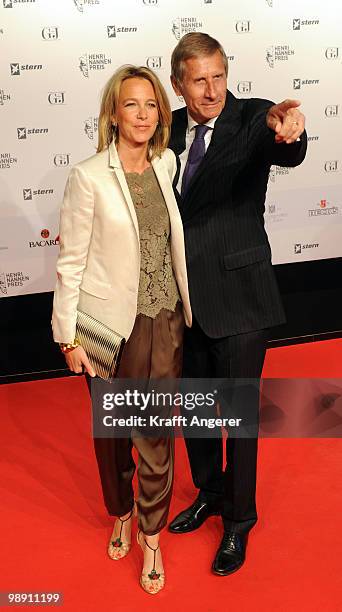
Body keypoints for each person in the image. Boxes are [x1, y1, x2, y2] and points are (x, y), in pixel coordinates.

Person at [167, 33, 307, 575]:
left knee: (239, 415)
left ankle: (239, 520)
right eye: (199, 80)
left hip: (241, 296)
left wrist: (290, 133)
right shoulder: (170, 128)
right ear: (178, 82)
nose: (211, 91)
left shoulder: (252, 116)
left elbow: (283, 145)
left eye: (219, 76)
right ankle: (209, 491)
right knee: (197, 410)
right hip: (185, 299)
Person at [51, 65, 192, 594]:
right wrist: (68, 335)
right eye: (131, 104)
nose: (142, 115)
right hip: (106, 326)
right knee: (112, 433)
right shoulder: (88, 175)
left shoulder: (166, 161)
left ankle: (151, 535)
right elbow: (71, 262)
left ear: (161, 113)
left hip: (164, 317)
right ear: (114, 112)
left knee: (155, 430)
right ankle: (121, 512)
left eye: (151, 105)